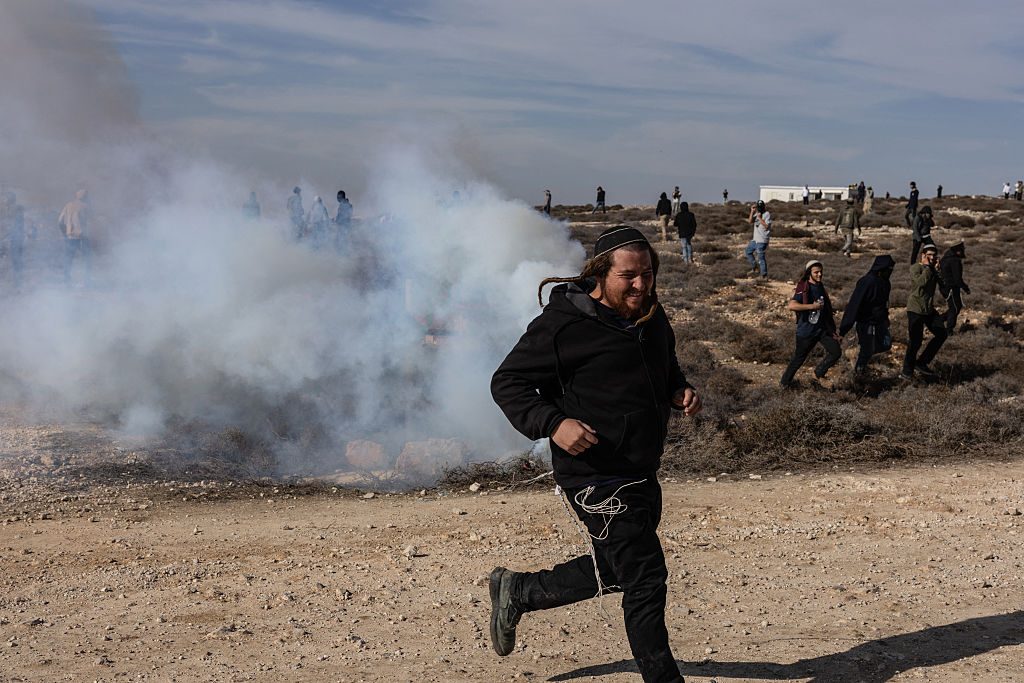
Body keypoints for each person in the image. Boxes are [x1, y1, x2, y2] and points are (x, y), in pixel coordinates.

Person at [489, 225, 701, 683]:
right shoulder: (563, 325)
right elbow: (507, 382)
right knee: (645, 579)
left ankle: (521, 590)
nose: (641, 285)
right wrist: (553, 424)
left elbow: (666, 364)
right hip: (594, 477)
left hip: (640, 467)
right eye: (629, 276)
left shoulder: (649, 314)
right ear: (600, 274)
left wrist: (678, 390)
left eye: (648, 274)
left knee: (621, 566)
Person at [780, 260, 842, 388]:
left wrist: (832, 331)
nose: (819, 275)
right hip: (806, 331)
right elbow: (792, 305)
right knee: (798, 359)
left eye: (821, 272)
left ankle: (818, 374)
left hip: (822, 330)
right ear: (809, 273)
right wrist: (812, 306)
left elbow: (826, 311)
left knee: (836, 352)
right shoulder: (803, 286)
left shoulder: (820, 287)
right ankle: (784, 384)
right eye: (816, 272)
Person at [839, 255, 896, 375]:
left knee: (886, 344)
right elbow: (854, 305)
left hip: (880, 322)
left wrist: (885, 317)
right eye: (888, 269)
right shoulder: (867, 282)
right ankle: (859, 372)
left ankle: (859, 353)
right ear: (881, 269)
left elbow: (884, 303)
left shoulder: (886, 283)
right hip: (866, 322)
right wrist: (844, 328)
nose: (890, 272)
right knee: (867, 349)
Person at [902, 244, 947, 379]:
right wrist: (928, 268)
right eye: (929, 255)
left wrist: (938, 271)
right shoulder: (916, 268)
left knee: (941, 333)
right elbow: (920, 283)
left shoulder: (933, 269)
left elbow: (943, 285)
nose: (932, 258)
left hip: (928, 309)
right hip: (915, 308)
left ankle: (921, 363)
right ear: (923, 255)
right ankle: (907, 371)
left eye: (934, 255)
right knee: (915, 341)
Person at [58, 189, 89, 286]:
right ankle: (86, 282)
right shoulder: (85, 207)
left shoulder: (68, 205)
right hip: (81, 237)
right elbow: (89, 222)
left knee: (68, 259)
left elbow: (60, 221)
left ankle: (66, 280)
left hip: (70, 237)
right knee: (87, 259)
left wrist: (65, 233)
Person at [939, 241, 970, 334]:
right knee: (955, 308)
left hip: (945, 288)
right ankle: (948, 330)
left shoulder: (945, 258)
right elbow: (957, 278)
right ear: (958, 251)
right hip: (951, 288)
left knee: (956, 306)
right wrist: (965, 288)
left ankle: (939, 320)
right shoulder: (954, 260)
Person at [0, 191, 26, 290]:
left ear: (10, 199)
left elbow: (13, 225)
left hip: (15, 238)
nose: (4, 200)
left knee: (16, 260)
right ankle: (16, 281)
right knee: (15, 260)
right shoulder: (11, 209)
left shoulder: (15, 209)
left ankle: (18, 283)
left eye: (6, 198)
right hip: (10, 238)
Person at [744, 199, 771, 279]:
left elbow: (766, 226)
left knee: (761, 258)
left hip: (762, 240)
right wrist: (752, 211)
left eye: (760, 207)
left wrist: (759, 218)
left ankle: (764, 275)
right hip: (755, 239)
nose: (759, 209)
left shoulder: (767, 214)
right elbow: (750, 221)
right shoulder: (757, 213)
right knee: (748, 252)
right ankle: (755, 268)